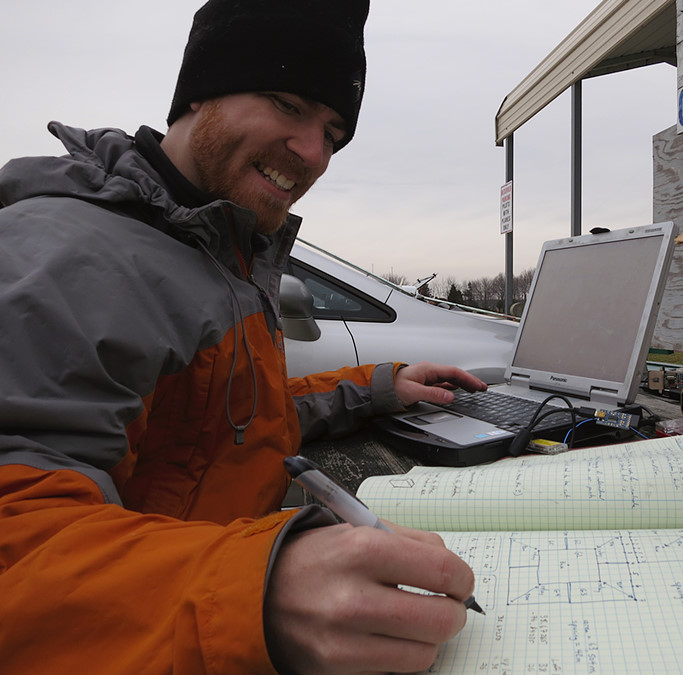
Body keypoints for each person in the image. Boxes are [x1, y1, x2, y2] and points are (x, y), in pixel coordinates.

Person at [0, 1, 487, 673]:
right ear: (200, 92)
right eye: (287, 104)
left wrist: (378, 387)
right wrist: (258, 591)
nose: (314, 153)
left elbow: (232, 427)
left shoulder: (222, 249)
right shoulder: (66, 258)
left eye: (334, 132)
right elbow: (17, 541)